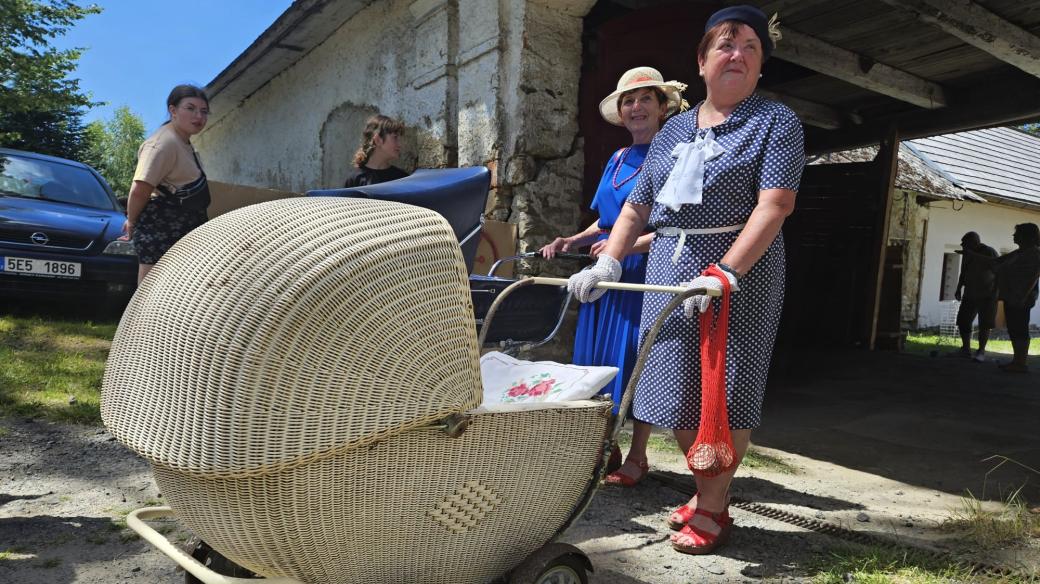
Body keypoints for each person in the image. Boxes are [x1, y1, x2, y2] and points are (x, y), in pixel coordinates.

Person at [567, 5, 802, 555]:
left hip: (738, 276)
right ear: (701, 62)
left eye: (749, 46)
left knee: (725, 392)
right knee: (672, 393)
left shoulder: (776, 122)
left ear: (761, 64)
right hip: (670, 272)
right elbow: (636, 207)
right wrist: (608, 263)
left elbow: (775, 206)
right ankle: (705, 492)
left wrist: (726, 271)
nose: (736, 54)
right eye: (724, 45)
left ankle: (715, 509)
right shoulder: (674, 130)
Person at [540, 67, 687, 488]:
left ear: (662, 107)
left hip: (645, 272)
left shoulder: (675, 156)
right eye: (628, 101)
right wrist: (574, 238)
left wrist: (626, 248)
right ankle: (602, 445)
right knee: (597, 360)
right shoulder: (618, 159)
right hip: (605, 274)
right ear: (621, 113)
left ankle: (638, 457)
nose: (636, 107)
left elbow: (673, 226)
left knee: (636, 357)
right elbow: (608, 221)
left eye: (645, 99)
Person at [123, 85, 212, 284]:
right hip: (160, 229)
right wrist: (132, 221)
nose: (198, 116)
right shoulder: (163, 143)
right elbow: (140, 189)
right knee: (152, 294)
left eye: (203, 111)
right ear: (173, 110)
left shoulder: (183, 142)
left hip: (185, 229)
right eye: (190, 109)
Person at [994, 223, 1040, 373]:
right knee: (1014, 328)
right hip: (1011, 295)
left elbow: (1033, 276)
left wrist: (1023, 296)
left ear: (1026, 236)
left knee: (1019, 329)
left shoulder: (1033, 253)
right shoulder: (1020, 252)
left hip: (1020, 297)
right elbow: (997, 262)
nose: (1013, 236)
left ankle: (1020, 363)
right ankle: (1017, 361)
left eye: (1017, 233)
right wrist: (973, 254)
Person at [954, 232, 998, 362]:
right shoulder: (967, 254)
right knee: (963, 320)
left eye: (964, 242)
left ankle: (981, 351)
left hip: (987, 294)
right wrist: (958, 288)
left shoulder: (989, 252)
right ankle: (966, 350)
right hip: (970, 293)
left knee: (985, 324)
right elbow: (964, 271)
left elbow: (999, 271)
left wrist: (995, 292)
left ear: (974, 242)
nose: (962, 245)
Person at [343, 114, 408, 187]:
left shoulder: (402, 178)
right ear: (377, 140)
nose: (400, 144)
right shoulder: (355, 179)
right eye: (395, 137)